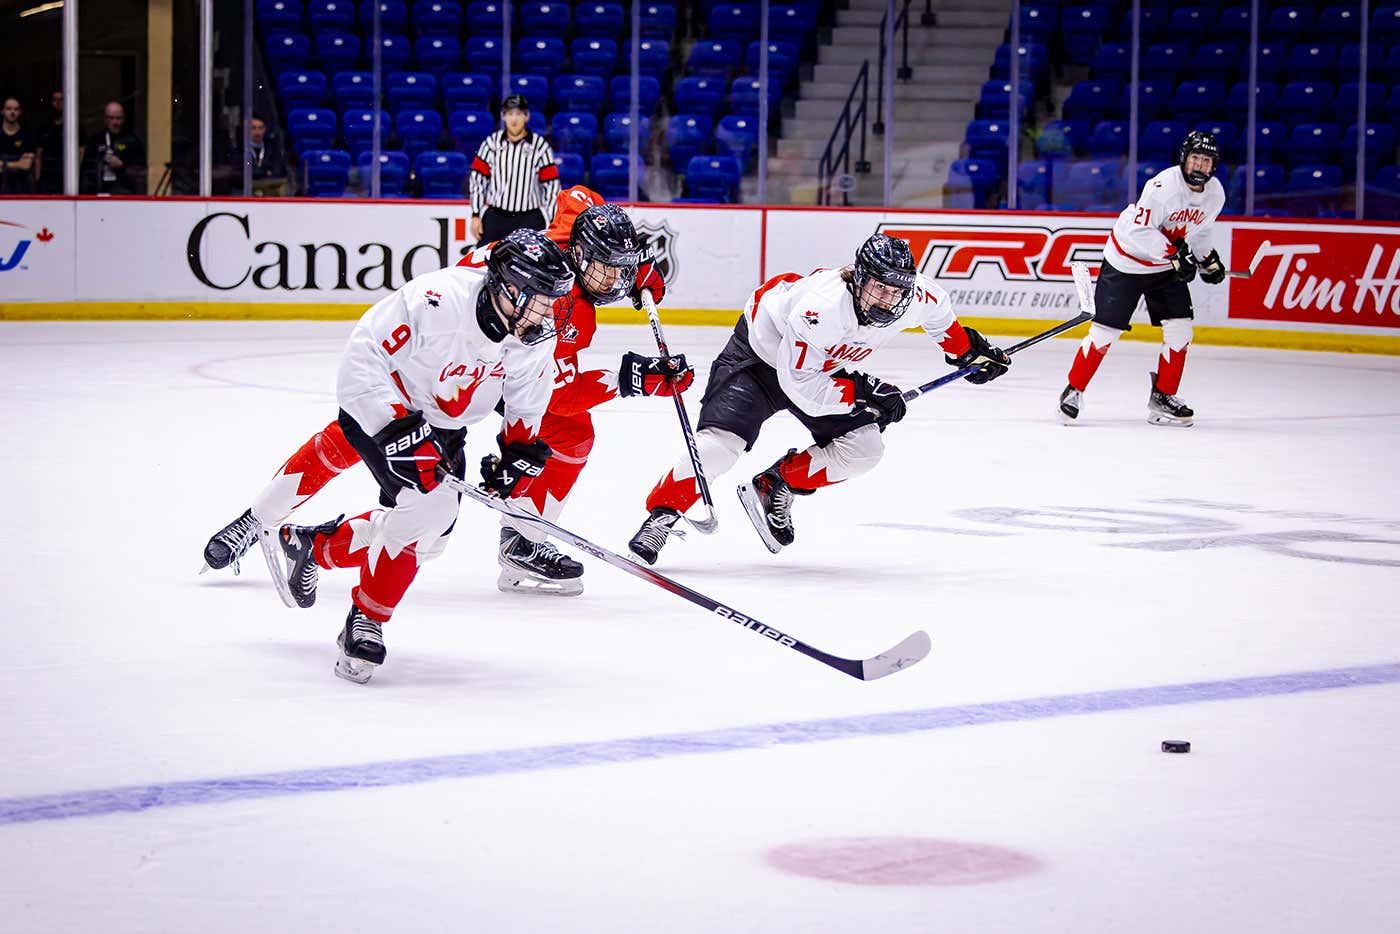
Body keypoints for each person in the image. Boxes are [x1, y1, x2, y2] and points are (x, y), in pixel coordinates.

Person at [200, 185, 680, 598]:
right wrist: (631, 378)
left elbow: (577, 197)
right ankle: (258, 519)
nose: (617, 283)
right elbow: (555, 392)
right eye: (609, 270)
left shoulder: (575, 231)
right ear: (581, 255)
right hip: (447, 347)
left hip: (486, 359)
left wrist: (633, 268)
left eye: (620, 271)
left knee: (566, 438)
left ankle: (519, 539)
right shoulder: (556, 306)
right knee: (360, 430)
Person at [265, 228, 576, 683]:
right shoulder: (438, 301)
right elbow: (363, 356)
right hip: (381, 410)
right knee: (428, 511)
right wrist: (397, 431)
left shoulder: (531, 335)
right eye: (541, 300)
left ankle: (312, 547)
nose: (548, 312)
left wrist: (517, 454)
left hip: (444, 428)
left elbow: (527, 401)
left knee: (431, 540)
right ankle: (365, 621)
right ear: (510, 288)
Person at [626, 233, 1012, 565]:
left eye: (897, 291)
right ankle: (662, 515)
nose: (888, 300)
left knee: (865, 449)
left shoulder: (916, 297)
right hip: (758, 359)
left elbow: (941, 321)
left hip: (818, 367)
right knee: (717, 449)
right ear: (859, 279)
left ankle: (776, 483)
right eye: (880, 288)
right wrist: (864, 394)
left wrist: (966, 353)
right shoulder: (822, 308)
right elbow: (800, 387)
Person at [1057, 131, 1227, 428]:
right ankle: (1074, 390)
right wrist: (1175, 256)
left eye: (1206, 160)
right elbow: (1139, 232)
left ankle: (1164, 397)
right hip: (1127, 261)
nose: (1200, 165)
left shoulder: (1215, 195)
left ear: (1214, 165)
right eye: (1195, 158)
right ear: (1184, 159)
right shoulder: (1163, 188)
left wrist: (1207, 259)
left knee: (1181, 330)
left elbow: (1200, 231)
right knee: (1105, 333)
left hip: (1164, 265)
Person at [469, 94, 559, 243]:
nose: (514, 119)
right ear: (503, 116)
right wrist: (475, 214)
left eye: (519, 114)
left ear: (527, 116)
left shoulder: (539, 146)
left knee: (535, 257)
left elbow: (551, 187)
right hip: (496, 217)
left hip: (529, 218)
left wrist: (553, 221)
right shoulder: (491, 143)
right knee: (485, 257)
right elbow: (477, 180)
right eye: (510, 114)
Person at [79, 100, 146, 195]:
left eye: (118, 118)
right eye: (111, 118)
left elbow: (141, 172)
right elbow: (86, 171)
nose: (115, 122)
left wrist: (123, 166)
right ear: (105, 119)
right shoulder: (96, 141)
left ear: (124, 119)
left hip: (124, 194)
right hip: (97, 193)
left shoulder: (132, 141)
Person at [235, 115, 287, 194]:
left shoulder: (272, 148)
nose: (257, 132)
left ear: (265, 129)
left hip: (268, 189)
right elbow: (245, 173)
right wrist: (266, 172)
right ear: (246, 130)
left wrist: (259, 173)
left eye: (260, 128)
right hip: (244, 190)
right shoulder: (240, 149)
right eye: (253, 128)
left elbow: (278, 171)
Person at [0, 97, 36, 193]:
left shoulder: (27, 135)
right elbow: (21, 164)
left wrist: (4, 164)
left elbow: (26, 164)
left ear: (20, 112)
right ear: (2, 111)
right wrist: (17, 163)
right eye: (8, 109)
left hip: (22, 188)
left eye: (16, 109)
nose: (12, 112)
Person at [35, 90, 63, 193]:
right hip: (47, 177)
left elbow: (80, 152)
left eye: (61, 100)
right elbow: (38, 155)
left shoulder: (74, 125)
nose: (58, 103)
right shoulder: (44, 126)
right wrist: (37, 179)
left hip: (66, 175)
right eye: (55, 100)